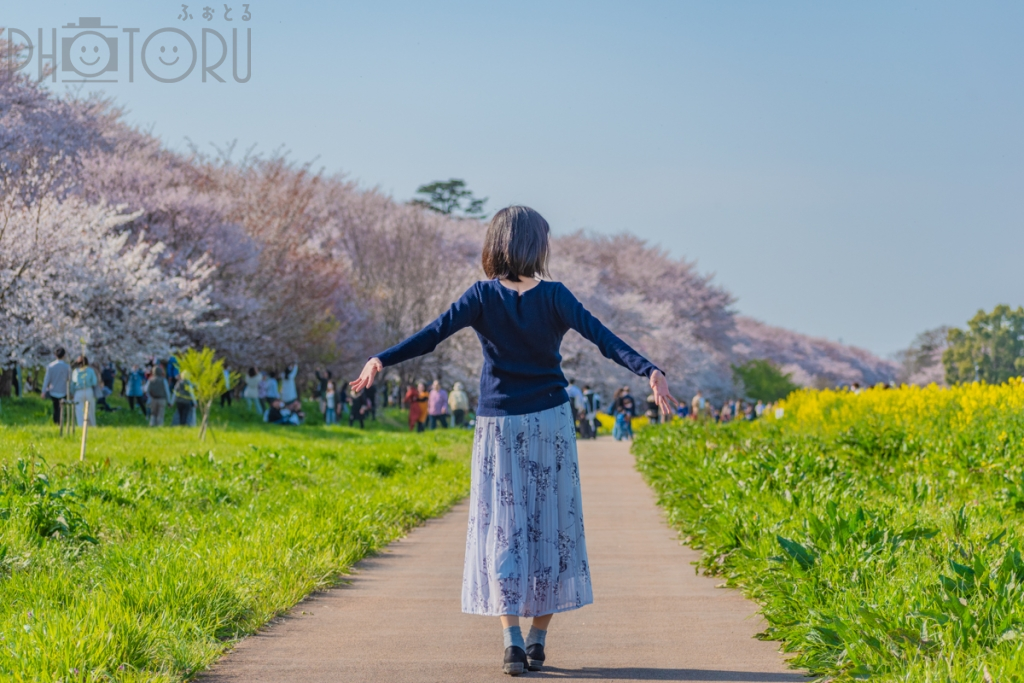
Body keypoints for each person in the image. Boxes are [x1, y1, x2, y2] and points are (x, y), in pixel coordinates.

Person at [349, 206, 676, 676]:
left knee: (504, 527)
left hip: (498, 427)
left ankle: (513, 643)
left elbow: (432, 335)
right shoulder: (556, 296)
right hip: (550, 424)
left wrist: (381, 358)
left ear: (496, 243)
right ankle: (538, 639)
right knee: (553, 527)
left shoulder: (482, 295)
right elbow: (604, 339)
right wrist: (650, 370)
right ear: (536, 244)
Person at [41, 347, 71, 425]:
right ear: (64, 355)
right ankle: (60, 422)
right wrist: (71, 392)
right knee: (61, 408)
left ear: (55, 355)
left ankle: (56, 422)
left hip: (53, 390)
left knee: (55, 407)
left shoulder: (51, 366)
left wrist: (43, 391)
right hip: (64, 390)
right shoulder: (67, 367)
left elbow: (47, 380)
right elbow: (70, 380)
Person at [70, 355, 98, 427]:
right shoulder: (90, 371)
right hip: (88, 390)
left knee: (79, 410)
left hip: (78, 392)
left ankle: (81, 426)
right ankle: (92, 425)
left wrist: (72, 393)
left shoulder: (75, 371)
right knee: (90, 410)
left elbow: (73, 384)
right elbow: (94, 382)